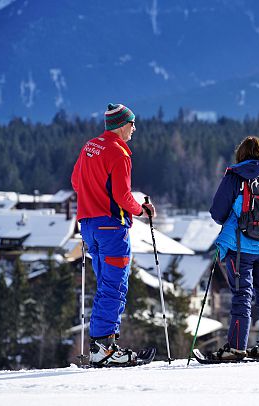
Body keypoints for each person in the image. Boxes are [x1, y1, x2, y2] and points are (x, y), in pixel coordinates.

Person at [71, 103, 156, 366]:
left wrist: (93, 195)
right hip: (111, 227)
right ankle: (104, 348)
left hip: (88, 226)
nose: (134, 128)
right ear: (122, 124)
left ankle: (102, 345)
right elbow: (121, 195)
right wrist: (140, 210)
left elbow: (76, 181)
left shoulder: (89, 146)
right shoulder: (119, 154)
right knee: (115, 286)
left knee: (105, 284)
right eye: (132, 123)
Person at [209, 136, 259, 360]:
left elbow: (217, 213)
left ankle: (236, 347)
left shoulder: (234, 178)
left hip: (239, 247)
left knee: (242, 295)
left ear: (241, 155)